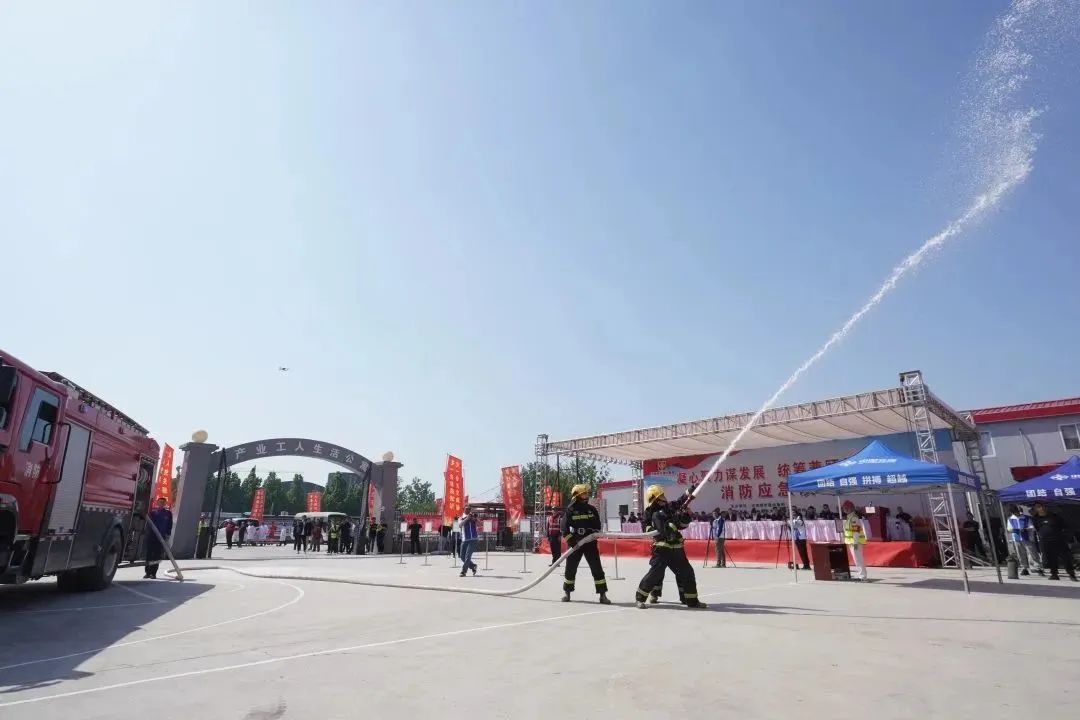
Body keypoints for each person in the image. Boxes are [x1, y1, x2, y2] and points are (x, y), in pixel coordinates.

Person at [635, 485, 706, 609]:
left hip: (676, 547)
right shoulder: (651, 513)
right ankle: (640, 598)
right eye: (661, 496)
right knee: (656, 573)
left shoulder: (669, 507)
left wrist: (688, 492)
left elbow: (680, 502)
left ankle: (692, 601)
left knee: (687, 573)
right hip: (661, 548)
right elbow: (647, 528)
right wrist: (660, 531)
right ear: (655, 499)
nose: (664, 498)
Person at [560, 484, 611, 604]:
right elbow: (564, 528)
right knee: (570, 569)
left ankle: (602, 595)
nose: (587, 495)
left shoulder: (592, 509)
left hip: (590, 543)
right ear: (577, 495)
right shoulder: (570, 510)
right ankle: (567, 593)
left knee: (597, 569)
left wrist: (593, 534)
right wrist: (571, 541)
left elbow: (597, 525)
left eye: (587, 493)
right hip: (575, 542)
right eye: (584, 493)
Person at [1032, 502, 1077, 581]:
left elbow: (1064, 526)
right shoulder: (1035, 518)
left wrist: (1066, 538)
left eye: (1042, 506)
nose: (1041, 508)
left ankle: (1071, 574)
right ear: (1036, 509)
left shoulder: (1054, 516)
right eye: (1038, 507)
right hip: (1046, 542)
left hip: (1058, 540)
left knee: (1066, 557)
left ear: (1045, 507)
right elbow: (1037, 529)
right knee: (1051, 558)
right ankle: (1054, 574)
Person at [1007, 505, 1042, 577]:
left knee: (1032, 553)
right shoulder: (1010, 519)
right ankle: (1024, 568)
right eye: (1014, 513)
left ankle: (1037, 567)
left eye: (1016, 512)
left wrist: (1026, 529)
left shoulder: (1026, 518)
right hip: (1017, 538)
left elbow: (1032, 526)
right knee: (1020, 554)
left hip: (1027, 537)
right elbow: (1009, 528)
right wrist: (1014, 529)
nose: (1015, 514)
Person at [143, 497, 173, 579]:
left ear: (165, 504)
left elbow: (169, 525)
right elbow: (148, 524)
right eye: (160, 502)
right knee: (149, 555)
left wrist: (167, 535)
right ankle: (147, 572)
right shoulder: (153, 513)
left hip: (161, 538)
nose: (161, 504)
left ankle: (153, 573)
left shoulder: (168, 514)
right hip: (152, 536)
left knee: (157, 555)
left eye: (163, 502)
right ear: (157, 503)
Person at [842, 501, 867, 581]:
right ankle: (861, 575)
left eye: (846, 508)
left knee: (858, 559)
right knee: (857, 559)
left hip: (855, 542)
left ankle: (862, 576)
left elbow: (856, 531)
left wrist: (855, 543)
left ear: (851, 508)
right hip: (852, 542)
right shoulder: (850, 517)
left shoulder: (853, 518)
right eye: (844, 508)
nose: (845, 510)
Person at [459, 512, 479, 576]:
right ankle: (473, 566)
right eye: (467, 508)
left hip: (473, 539)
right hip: (464, 540)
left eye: (469, 509)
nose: (468, 510)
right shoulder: (461, 517)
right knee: (462, 556)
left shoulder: (473, 517)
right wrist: (467, 519)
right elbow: (460, 525)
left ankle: (463, 571)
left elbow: (480, 524)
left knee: (468, 556)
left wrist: (475, 519)